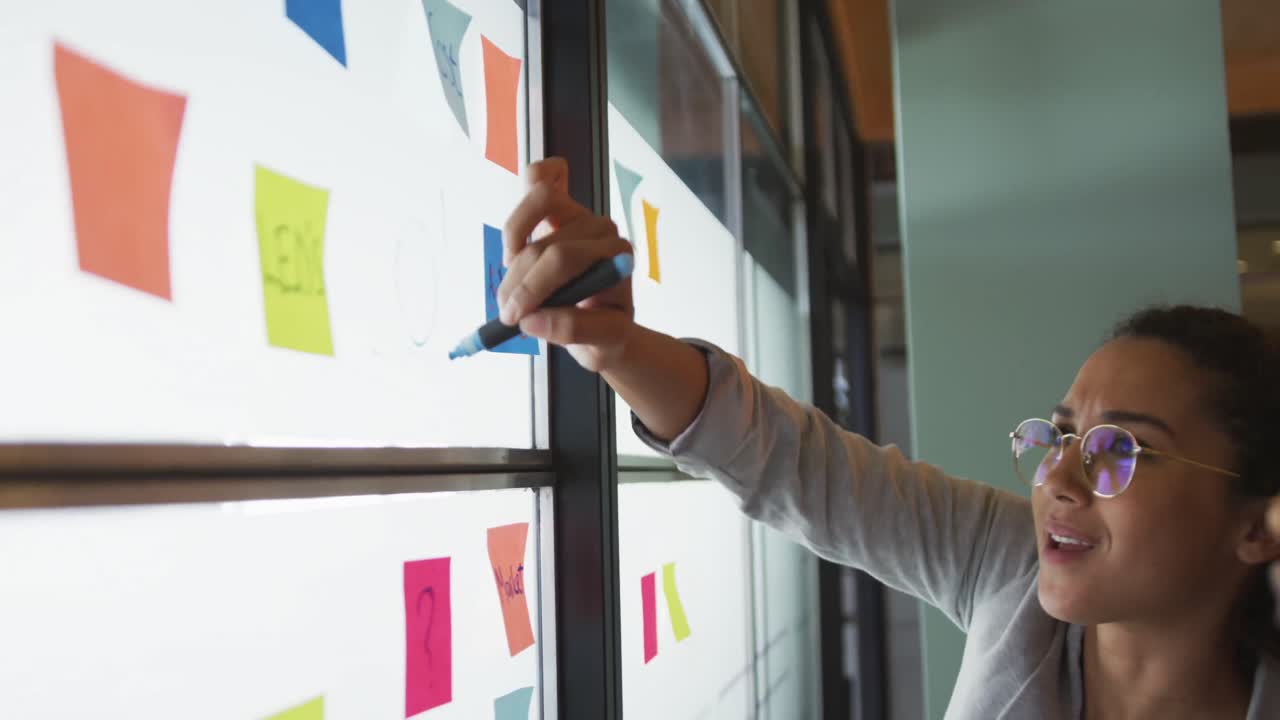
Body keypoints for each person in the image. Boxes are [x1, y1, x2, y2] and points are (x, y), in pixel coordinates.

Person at [498, 158, 1280, 719]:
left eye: (1120, 451)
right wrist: (619, 347)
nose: (1058, 482)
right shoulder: (1009, 567)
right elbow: (793, 464)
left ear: (1257, 526)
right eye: (1062, 436)